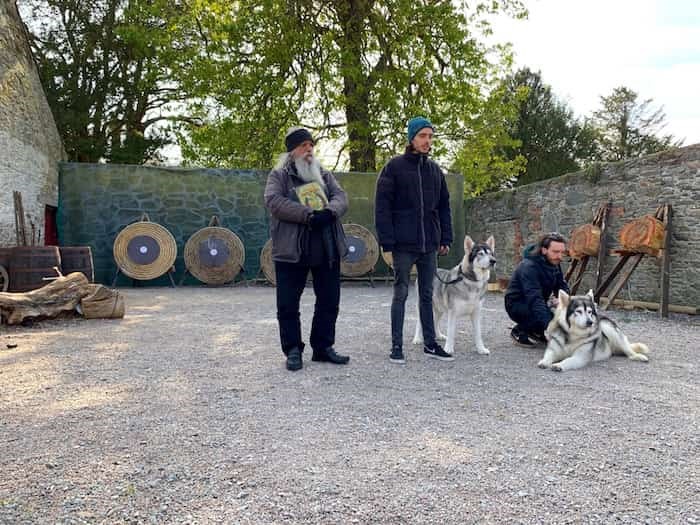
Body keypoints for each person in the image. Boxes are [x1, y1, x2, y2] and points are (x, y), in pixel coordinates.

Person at [264, 126, 350, 371]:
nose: (309, 149)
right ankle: (292, 350)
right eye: (304, 145)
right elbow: (274, 202)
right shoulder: (278, 175)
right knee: (288, 304)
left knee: (329, 300)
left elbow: (341, 197)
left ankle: (323, 348)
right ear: (292, 151)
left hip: (326, 247)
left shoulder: (323, 173)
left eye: (311, 145)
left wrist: (329, 212)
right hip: (292, 250)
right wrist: (308, 215)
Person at [375, 116, 453, 364]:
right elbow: (382, 206)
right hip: (403, 244)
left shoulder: (435, 171)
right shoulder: (394, 167)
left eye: (430, 136)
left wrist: (445, 237)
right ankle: (396, 346)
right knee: (400, 293)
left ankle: (430, 344)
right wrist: (387, 239)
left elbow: (444, 208)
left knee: (427, 294)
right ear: (411, 138)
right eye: (422, 136)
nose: (427, 141)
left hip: (429, 243)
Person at [504, 232, 570, 347]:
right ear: (544, 250)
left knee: (564, 318)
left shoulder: (554, 262)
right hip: (517, 305)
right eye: (555, 252)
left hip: (537, 301)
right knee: (548, 319)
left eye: (562, 252)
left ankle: (537, 331)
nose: (560, 256)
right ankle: (519, 331)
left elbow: (561, 285)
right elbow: (535, 299)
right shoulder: (529, 267)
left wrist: (563, 300)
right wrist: (551, 327)